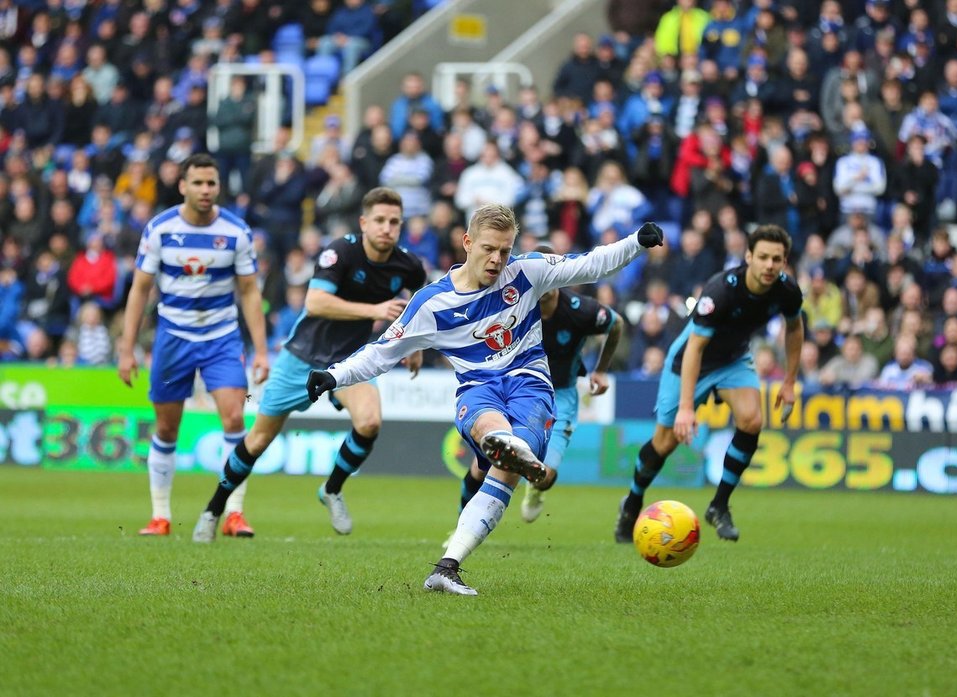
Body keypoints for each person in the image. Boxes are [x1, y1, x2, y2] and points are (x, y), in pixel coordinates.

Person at [305, 205, 663, 595]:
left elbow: (591, 264)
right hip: (477, 389)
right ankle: (504, 448)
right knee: (496, 434)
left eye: (505, 251)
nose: (497, 260)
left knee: (507, 462)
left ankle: (447, 566)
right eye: (489, 249)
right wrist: (334, 375)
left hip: (530, 384)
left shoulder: (527, 272)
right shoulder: (432, 304)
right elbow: (380, 353)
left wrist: (635, 243)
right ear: (467, 242)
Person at [192, 187, 427, 541]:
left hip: (350, 362)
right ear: (364, 222)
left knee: (370, 422)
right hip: (301, 356)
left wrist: (416, 345)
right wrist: (375, 311)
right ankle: (213, 509)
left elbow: (419, 304)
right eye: (379, 220)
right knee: (257, 442)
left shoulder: (408, 266)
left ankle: (331, 489)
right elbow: (316, 303)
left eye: (394, 222)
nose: (387, 228)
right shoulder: (340, 252)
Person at [613, 225, 803, 544]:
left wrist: (789, 381)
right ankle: (632, 501)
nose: (770, 265)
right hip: (690, 360)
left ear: (784, 262)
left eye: (777, 259)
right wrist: (687, 408)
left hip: (733, 359)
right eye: (763, 258)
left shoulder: (787, 290)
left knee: (752, 420)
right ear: (748, 258)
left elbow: (795, 328)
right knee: (665, 443)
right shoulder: (721, 290)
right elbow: (695, 349)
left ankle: (719, 505)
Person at [118, 153, 270, 538]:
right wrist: (126, 347)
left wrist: (262, 349)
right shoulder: (160, 229)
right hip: (174, 337)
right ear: (183, 185)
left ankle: (234, 513)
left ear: (219, 187)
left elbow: (250, 292)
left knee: (235, 418)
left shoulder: (236, 231)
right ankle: (160, 516)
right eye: (198, 183)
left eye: (211, 183)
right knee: (167, 428)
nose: (205, 190)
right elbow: (139, 290)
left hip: (221, 336)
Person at [456, 245, 624, 523]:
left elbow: (615, 324)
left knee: (544, 476)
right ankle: (461, 521)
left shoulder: (579, 310)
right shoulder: (510, 303)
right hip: (516, 390)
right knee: (481, 468)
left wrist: (601, 370)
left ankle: (535, 490)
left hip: (561, 395)